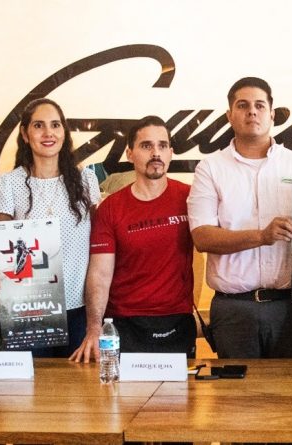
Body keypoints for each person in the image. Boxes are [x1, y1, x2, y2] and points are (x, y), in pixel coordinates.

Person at [188, 77, 292, 359]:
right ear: (229, 115)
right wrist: (262, 236)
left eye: (259, 105)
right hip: (233, 308)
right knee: (236, 388)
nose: (252, 111)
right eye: (242, 105)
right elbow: (202, 237)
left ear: (272, 114)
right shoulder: (210, 168)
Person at [0, 98, 100, 357]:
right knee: (33, 382)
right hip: (29, 308)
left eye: (55, 125)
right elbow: (1, 249)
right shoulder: (7, 184)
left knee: (80, 382)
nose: (48, 133)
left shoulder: (86, 180)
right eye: (38, 125)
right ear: (25, 134)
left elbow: (99, 244)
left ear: (64, 132)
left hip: (80, 307)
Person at [70, 116, 195, 362]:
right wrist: (94, 329)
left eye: (162, 146)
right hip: (124, 323)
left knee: (181, 390)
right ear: (129, 154)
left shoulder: (190, 198)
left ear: (170, 153)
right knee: (123, 389)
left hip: (177, 320)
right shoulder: (111, 208)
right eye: (146, 146)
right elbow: (100, 274)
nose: (156, 153)